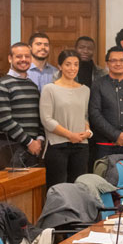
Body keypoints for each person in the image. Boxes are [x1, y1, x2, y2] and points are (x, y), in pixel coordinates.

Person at [39, 50, 91, 187]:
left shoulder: (85, 90)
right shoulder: (49, 89)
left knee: (79, 187)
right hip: (57, 146)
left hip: (81, 145)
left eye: (76, 64)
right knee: (58, 188)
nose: (72, 68)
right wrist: (70, 135)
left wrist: (88, 131)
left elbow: (84, 116)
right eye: (68, 64)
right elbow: (47, 119)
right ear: (60, 66)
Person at [0, 43, 43, 171]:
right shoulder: (2, 85)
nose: (23, 60)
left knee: (32, 189)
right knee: (13, 189)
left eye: (27, 56)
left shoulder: (32, 85)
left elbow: (40, 115)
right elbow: (5, 121)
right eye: (19, 56)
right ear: (10, 58)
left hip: (33, 150)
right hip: (10, 149)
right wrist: (29, 142)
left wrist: (39, 139)